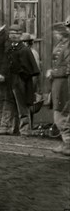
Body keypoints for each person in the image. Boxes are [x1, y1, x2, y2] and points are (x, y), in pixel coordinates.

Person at [0, 24, 40, 136]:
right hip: (9, 81)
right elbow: (5, 63)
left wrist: (22, 77)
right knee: (8, 104)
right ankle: (8, 128)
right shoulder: (9, 48)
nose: (14, 36)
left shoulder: (25, 50)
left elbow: (31, 69)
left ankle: (25, 130)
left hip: (21, 81)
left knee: (22, 106)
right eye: (12, 33)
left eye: (17, 34)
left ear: (20, 35)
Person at [46, 18, 70, 156]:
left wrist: (53, 72)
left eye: (57, 33)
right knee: (59, 113)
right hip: (58, 83)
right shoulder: (63, 44)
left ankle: (68, 143)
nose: (55, 35)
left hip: (64, 84)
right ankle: (66, 143)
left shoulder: (67, 45)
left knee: (61, 115)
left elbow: (66, 67)